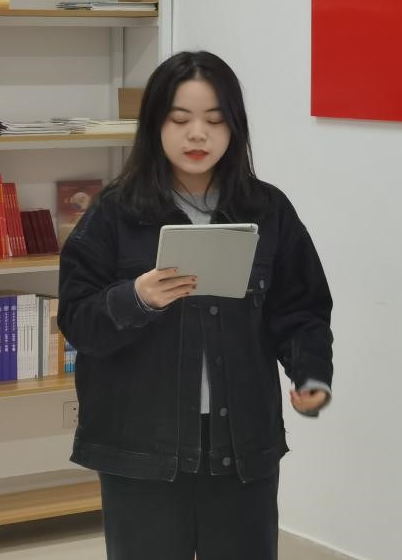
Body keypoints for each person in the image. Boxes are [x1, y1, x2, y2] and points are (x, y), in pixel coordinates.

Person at [58, 50, 334, 560]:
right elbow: (77, 321)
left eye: (215, 119)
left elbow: (302, 309)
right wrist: (136, 299)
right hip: (140, 449)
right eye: (180, 119)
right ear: (155, 125)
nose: (198, 135)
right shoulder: (114, 213)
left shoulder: (268, 210)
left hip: (240, 445)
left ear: (234, 127)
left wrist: (311, 373)